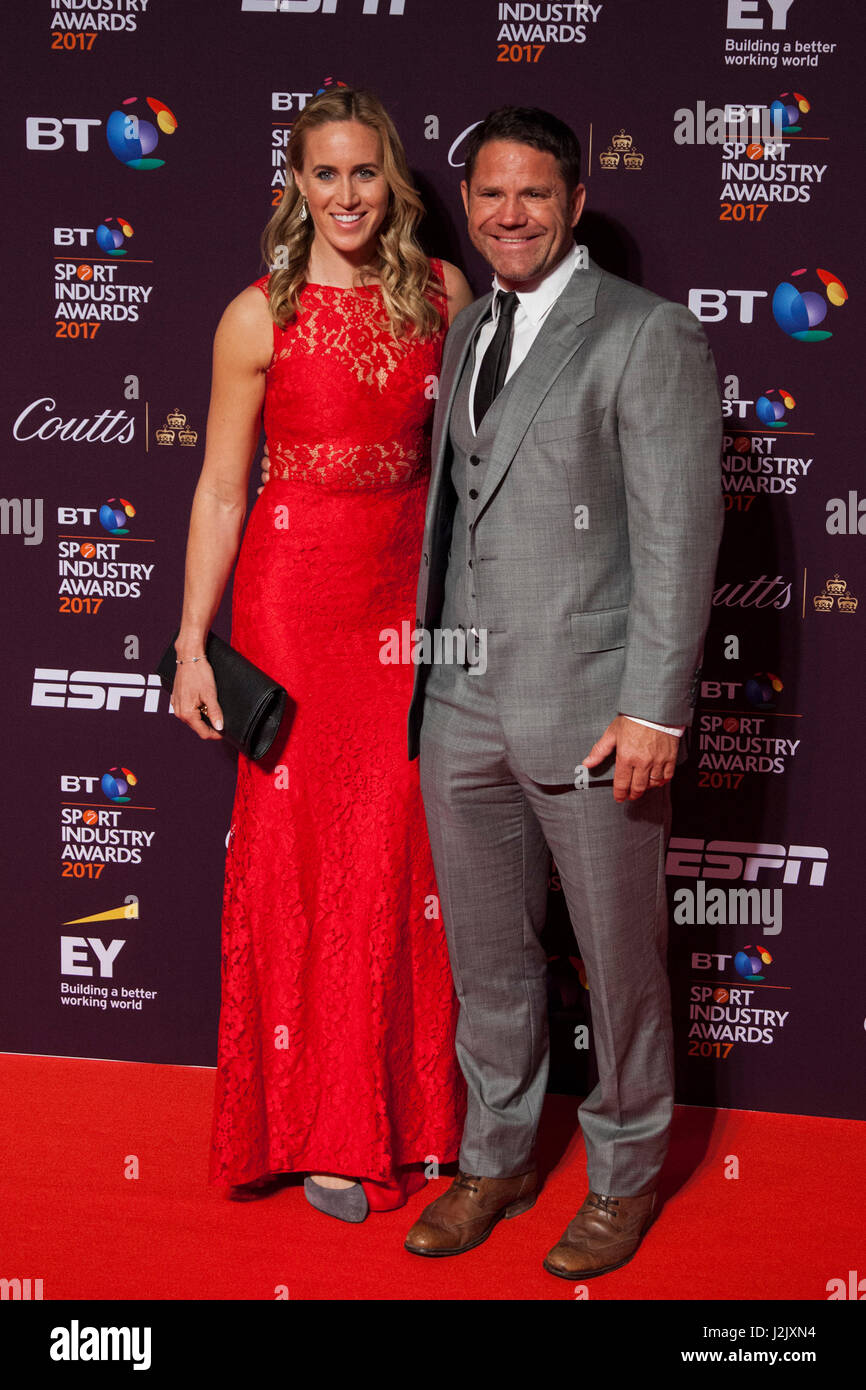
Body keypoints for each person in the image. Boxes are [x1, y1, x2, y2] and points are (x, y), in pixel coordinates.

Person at [402, 107, 724, 1276]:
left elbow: (680, 532)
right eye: (489, 194)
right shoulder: (467, 329)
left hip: (593, 710)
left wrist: (653, 709)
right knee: (486, 958)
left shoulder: (644, 336)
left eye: (533, 193)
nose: (508, 214)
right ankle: (496, 1155)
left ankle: (627, 1172)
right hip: (461, 705)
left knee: (619, 958)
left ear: (574, 201)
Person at [171, 85, 472, 1222]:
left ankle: (416, 1115)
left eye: (363, 173)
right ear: (294, 184)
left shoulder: (444, 292)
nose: (345, 194)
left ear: (390, 179)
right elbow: (216, 489)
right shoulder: (259, 314)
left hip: (408, 603)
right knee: (303, 858)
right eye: (323, 173)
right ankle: (321, 1130)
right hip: (294, 604)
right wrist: (193, 645)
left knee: (403, 854)